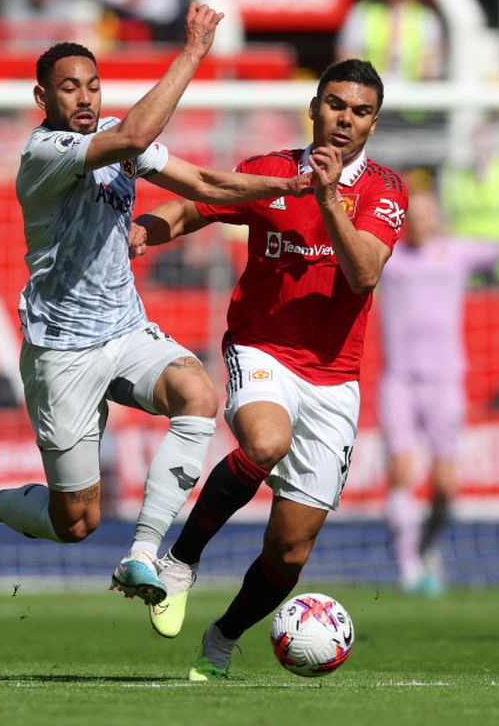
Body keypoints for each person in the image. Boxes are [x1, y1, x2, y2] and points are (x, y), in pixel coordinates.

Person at [0, 3, 312, 610]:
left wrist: (286, 188)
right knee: (75, 521)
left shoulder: (118, 136)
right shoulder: (46, 154)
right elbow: (136, 136)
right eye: (68, 88)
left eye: (92, 85)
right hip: (61, 349)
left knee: (199, 395)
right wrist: (193, 51)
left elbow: (207, 186)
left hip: (126, 329)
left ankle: (144, 552)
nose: (83, 98)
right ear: (43, 97)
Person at [129, 59, 407, 681]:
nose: (345, 120)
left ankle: (223, 637)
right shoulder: (268, 173)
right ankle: (181, 560)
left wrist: (329, 197)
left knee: (289, 551)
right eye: (336, 105)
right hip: (262, 349)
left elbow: (363, 273)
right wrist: (146, 229)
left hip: (335, 378)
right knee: (265, 441)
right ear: (314, 107)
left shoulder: (387, 189)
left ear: (373, 123)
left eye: (360, 112)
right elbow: (197, 208)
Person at [377, 178, 499, 595]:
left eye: (428, 215)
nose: (422, 223)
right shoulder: (389, 258)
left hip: (445, 381)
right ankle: (407, 564)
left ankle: (427, 545)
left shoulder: (456, 254)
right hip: (399, 380)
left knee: (446, 484)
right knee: (402, 467)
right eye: (415, 216)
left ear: (439, 218)